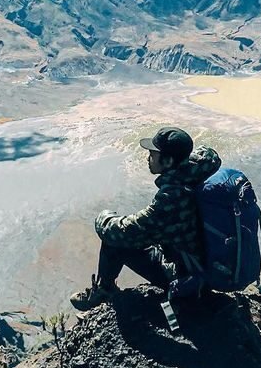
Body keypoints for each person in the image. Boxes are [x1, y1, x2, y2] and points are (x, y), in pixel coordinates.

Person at [70, 126, 221, 311]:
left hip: (187, 276)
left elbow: (124, 232)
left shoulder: (172, 198)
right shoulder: (199, 170)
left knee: (114, 241)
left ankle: (104, 290)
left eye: (152, 154)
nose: (148, 158)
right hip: (207, 264)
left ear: (168, 161)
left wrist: (104, 217)